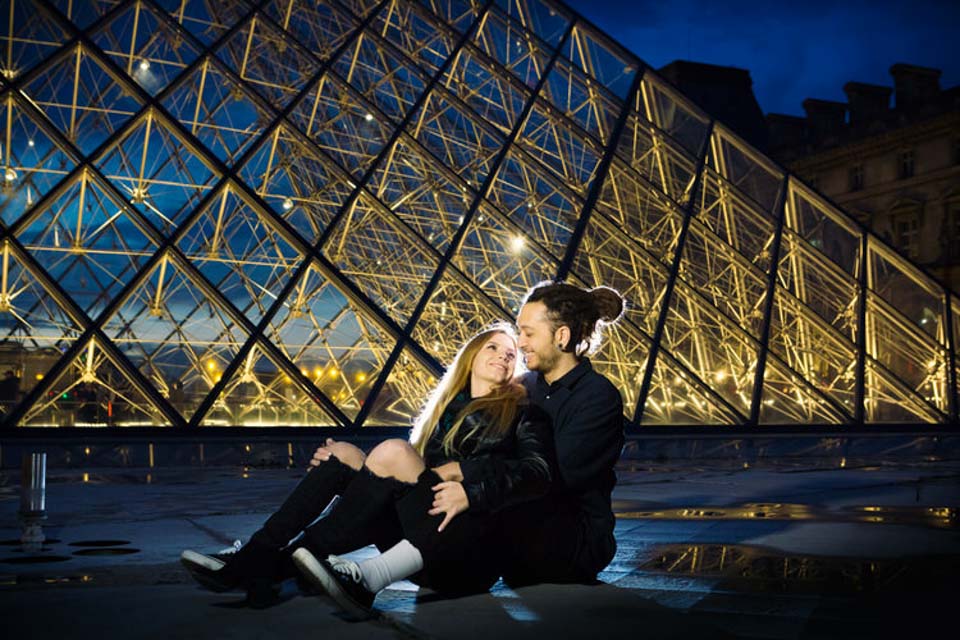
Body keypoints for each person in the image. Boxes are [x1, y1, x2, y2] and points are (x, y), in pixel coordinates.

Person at [181, 325, 554, 615]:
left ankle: (259, 564)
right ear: (471, 355)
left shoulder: (525, 414)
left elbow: (536, 474)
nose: (503, 357)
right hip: (421, 536)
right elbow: (409, 479)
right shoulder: (445, 412)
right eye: (493, 347)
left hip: (464, 553)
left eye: (511, 354)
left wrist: (465, 473)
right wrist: (345, 462)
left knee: (393, 451)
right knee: (342, 453)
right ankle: (261, 554)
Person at [496, 281, 626, 585]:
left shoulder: (598, 397)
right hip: (520, 522)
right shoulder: (522, 387)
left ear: (562, 336)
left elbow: (553, 476)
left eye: (529, 333)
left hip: (573, 541)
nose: (519, 343)